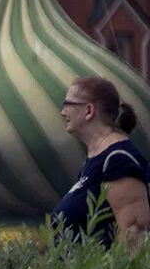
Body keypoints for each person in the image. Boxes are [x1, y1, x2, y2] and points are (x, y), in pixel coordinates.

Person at [51, 75, 149, 249]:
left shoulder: (118, 160)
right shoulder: (95, 159)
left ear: (89, 110)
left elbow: (134, 231)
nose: (62, 111)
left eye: (68, 104)